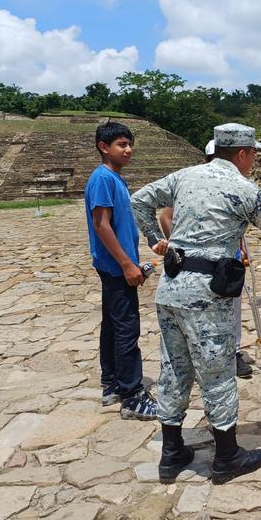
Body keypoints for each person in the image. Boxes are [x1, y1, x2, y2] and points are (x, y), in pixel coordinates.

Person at [131, 123, 261, 485]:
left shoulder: (184, 176)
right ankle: (227, 456)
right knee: (217, 372)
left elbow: (139, 200)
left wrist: (157, 240)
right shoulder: (245, 190)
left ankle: (171, 455)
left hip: (171, 287)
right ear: (243, 153)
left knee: (174, 367)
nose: (255, 160)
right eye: (254, 154)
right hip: (208, 293)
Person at [158, 139, 252, 379]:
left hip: (227, 262)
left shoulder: (236, 185)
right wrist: (180, 248)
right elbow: (166, 216)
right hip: (196, 266)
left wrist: (240, 249)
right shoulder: (190, 184)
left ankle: (234, 350)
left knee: (232, 305)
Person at [84, 122, 157, 421]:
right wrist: (127, 264)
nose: (128, 150)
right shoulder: (103, 178)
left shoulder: (114, 178)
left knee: (113, 326)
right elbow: (101, 225)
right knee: (127, 328)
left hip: (116, 265)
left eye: (129, 145)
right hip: (116, 267)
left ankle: (112, 382)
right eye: (121, 145)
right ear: (104, 147)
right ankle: (131, 395)